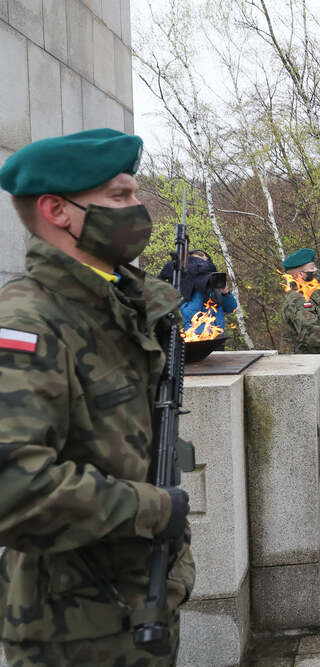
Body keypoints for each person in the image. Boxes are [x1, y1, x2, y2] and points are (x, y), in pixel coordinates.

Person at [0, 128, 194, 664]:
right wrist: (153, 508)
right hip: (73, 632)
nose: (137, 208)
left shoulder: (117, 304)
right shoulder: (29, 323)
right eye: (119, 195)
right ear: (57, 211)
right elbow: (13, 486)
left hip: (141, 604)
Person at [280, 247, 320, 384]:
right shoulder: (299, 301)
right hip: (304, 368)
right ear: (300, 275)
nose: (315, 274)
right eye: (311, 271)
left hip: (311, 365)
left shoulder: (309, 296)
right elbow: (313, 337)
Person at [159, 250, 237, 336]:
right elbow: (189, 314)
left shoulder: (213, 288)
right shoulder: (185, 288)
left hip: (217, 337)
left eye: (204, 263)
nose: (202, 268)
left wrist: (225, 293)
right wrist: (199, 291)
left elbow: (231, 308)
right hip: (197, 337)